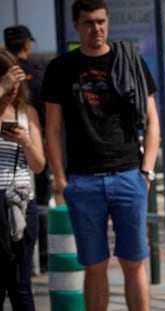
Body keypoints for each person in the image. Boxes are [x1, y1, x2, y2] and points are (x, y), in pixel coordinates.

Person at [41, 1, 160, 310]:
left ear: (108, 21)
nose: (97, 28)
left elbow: (153, 121)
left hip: (128, 175)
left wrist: (146, 171)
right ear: (76, 25)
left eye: (101, 21)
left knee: (134, 263)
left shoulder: (130, 61)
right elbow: (52, 129)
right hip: (82, 181)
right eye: (89, 23)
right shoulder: (61, 68)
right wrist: (61, 179)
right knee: (94, 266)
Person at [4, 24, 52, 273]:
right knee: (40, 200)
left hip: (26, 156)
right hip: (31, 149)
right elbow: (46, 115)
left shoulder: (9, 74)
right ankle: (42, 258)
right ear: (27, 44)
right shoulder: (35, 73)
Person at [0, 49, 45, 310]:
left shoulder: (27, 114)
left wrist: (26, 141)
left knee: (20, 286)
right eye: (8, 82)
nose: (13, 89)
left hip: (20, 205)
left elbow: (39, 165)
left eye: (17, 83)